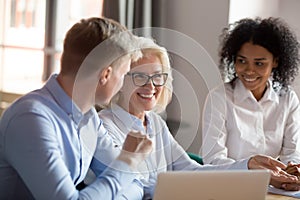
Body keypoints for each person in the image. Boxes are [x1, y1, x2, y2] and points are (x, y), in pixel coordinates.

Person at [89, 36, 300, 200]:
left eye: (157, 76)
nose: (151, 85)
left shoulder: (154, 122)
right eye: (140, 76)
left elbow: (191, 170)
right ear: (120, 80)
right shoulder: (104, 126)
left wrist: (249, 165)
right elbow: (129, 185)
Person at [0, 17, 153, 199]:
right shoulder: (30, 119)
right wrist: (127, 160)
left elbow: (135, 184)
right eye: (124, 74)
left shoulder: (88, 117)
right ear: (106, 75)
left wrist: (124, 170)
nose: (123, 84)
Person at [202, 17, 300, 171]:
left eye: (259, 63)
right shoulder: (219, 98)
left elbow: (293, 154)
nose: (249, 70)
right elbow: (213, 160)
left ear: (275, 61)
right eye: (242, 61)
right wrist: (251, 170)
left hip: (274, 187)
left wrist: (291, 170)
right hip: (231, 185)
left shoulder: (288, 99)